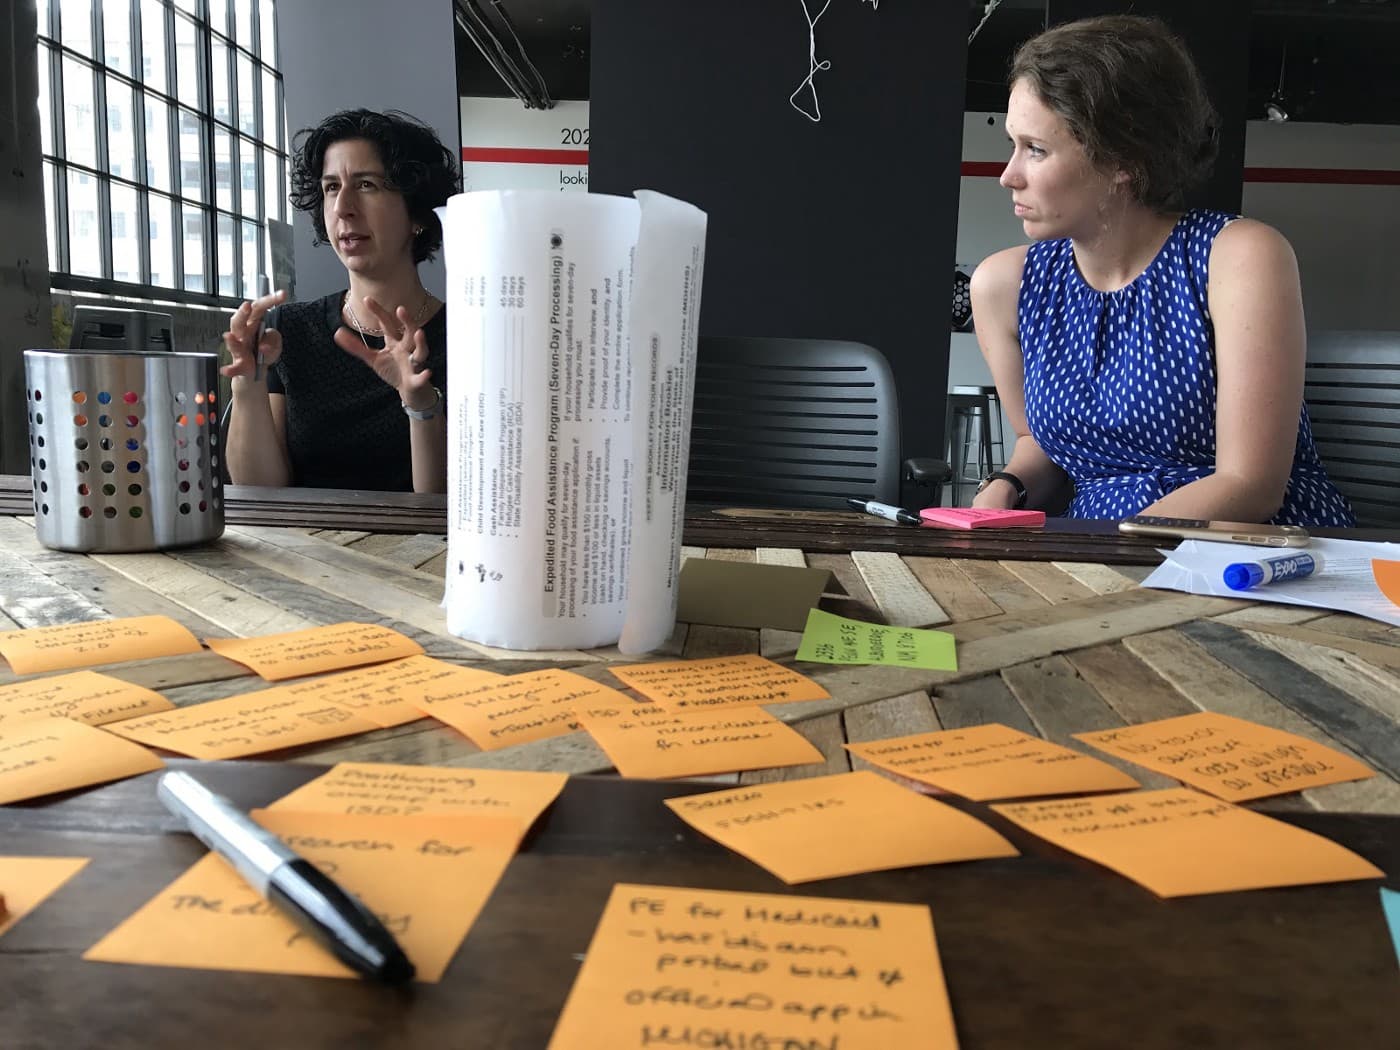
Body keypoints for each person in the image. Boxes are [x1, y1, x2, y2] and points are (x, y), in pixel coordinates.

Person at [969, 15, 1354, 527]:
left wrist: (1105, 552)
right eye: (1012, 145)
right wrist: (1007, 485)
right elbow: (1038, 442)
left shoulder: (1237, 256)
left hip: (1247, 548)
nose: (1008, 176)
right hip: (1096, 546)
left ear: (1124, 159)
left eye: (1035, 150)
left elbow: (1251, 486)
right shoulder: (1004, 287)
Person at [222, 109, 459, 493]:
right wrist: (248, 386)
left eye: (366, 185)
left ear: (416, 213)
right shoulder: (289, 331)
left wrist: (421, 406)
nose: (342, 207)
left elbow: (445, 508)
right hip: (305, 535)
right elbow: (262, 493)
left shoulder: (466, 339)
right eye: (331, 187)